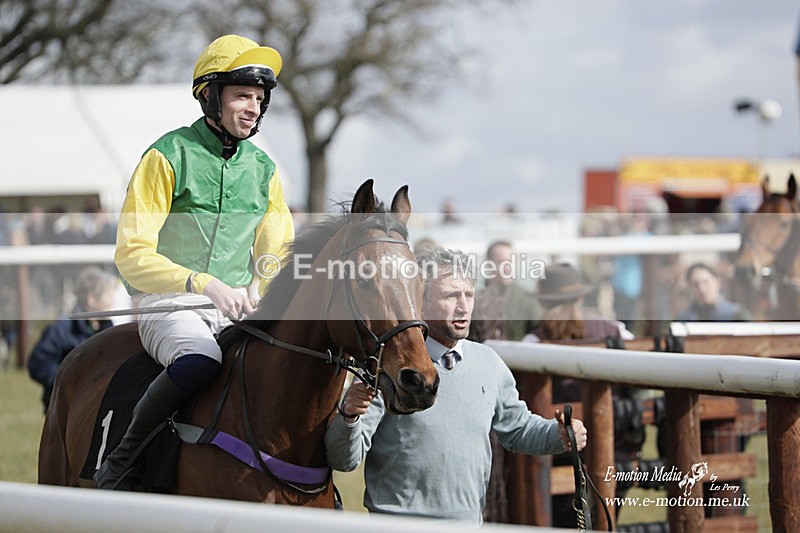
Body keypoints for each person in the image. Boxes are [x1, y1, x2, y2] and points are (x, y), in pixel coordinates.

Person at [94, 34, 294, 490]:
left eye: (260, 99)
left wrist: (260, 286)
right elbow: (131, 253)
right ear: (210, 95)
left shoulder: (264, 170)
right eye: (242, 95)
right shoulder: (166, 155)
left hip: (238, 306)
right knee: (202, 361)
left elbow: (277, 247)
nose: (253, 107)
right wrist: (201, 283)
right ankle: (124, 459)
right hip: (168, 303)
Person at [325, 247, 587, 525]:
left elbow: (518, 429)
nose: (463, 306)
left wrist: (558, 435)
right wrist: (350, 416)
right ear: (420, 302)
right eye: (451, 295)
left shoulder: (489, 362)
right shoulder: (390, 367)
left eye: (469, 295)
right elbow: (344, 459)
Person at [27, 267, 117, 412]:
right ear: (92, 299)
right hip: (64, 411)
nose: (112, 303)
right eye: (109, 296)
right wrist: (68, 382)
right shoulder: (62, 329)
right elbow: (38, 363)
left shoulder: (109, 331)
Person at [470, 240, 541, 343]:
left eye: (510, 261)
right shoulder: (474, 301)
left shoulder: (529, 300)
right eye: (501, 262)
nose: (507, 267)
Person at [676, 262, 751, 322]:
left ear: (717, 281)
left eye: (706, 282)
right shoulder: (684, 320)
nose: (702, 288)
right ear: (690, 288)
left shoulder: (735, 315)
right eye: (696, 284)